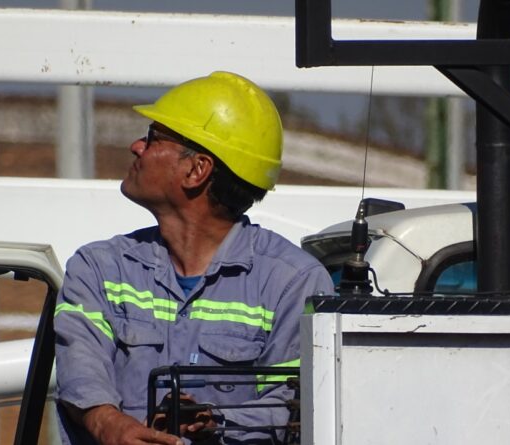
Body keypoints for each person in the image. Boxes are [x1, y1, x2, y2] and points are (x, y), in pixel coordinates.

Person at [54, 71, 334, 445]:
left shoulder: (294, 283)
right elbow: (80, 369)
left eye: (153, 137)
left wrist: (213, 422)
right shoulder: (98, 269)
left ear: (197, 169)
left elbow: (295, 405)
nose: (136, 147)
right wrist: (111, 425)